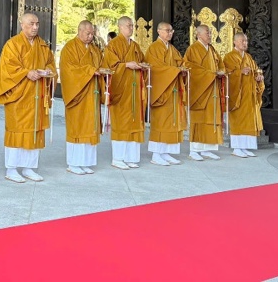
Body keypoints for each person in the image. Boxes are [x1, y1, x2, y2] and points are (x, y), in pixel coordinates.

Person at [0, 12, 56, 183]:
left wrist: (49, 71)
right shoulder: (12, 44)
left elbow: (50, 63)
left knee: (34, 131)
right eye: (31, 24)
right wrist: (26, 73)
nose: (35, 27)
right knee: (17, 131)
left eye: (37, 24)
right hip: (19, 96)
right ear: (22, 25)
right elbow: (8, 69)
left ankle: (29, 168)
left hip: (37, 95)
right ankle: (11, 169)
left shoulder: (43, 45)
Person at [60, 20, 108, 175]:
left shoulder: (95, 49)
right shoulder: (69, 48)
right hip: (78, 94)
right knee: (78, 128)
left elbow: (101, 65)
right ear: (79, 31)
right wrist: (90, 71)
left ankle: (86, 162)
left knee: (91, 127)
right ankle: (74, 163)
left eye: (92, 33)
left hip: (92, 94)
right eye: (87, 33)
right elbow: (68, 70)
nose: (90, 36)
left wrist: (103, 72)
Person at [101, 16, 148, 169]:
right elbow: (110, 66)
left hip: (135, 90)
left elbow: (141, 60)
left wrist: (142, 66)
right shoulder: (112, 45)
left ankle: (131, 158)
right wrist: (127, 65)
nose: (131, 28)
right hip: (121, 90)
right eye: (128, 25)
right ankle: (118, 158)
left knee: (134, 122)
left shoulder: (135, 45)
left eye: (132, 25)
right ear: (120, 27)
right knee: (121, 124)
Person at [146, 22, 188, 166]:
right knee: (161, 122)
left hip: (173, 91)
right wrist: (175, 71)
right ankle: (156, 154)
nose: (170, 33)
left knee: (172, 122)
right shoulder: (154, 48)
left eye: (171, 31)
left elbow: (180, 63)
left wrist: (183, 69)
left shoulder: (172, 49)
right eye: (167, 30)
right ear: (158, 31)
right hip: (162, 91)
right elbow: (155, 68)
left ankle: (166, 152)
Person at [183, 24, 225, 161]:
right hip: (200, 90)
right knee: (199, 120)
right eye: (207, 33)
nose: (210, 35)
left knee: (211, 118)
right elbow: (189, 67)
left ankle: (207, 149)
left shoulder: (212, 49)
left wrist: (221, 72)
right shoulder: (193, 49)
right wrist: (210, 74)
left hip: (212, 89)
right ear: (198, 34)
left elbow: (220, 64)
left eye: (210, 33)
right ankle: (194, 150)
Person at [223, 32, 264, 157]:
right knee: (239, 121)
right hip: (238, 96)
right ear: (234, 42)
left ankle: (245, 147)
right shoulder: (229, 57)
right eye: (242, 41)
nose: (245, 43)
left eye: (246, 41)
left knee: (249, 122)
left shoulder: (248, 57)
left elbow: (256, 71)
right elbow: (227, 74)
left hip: (249, 95)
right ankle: (237, 148)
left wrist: (259, 78)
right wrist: (240, 72)